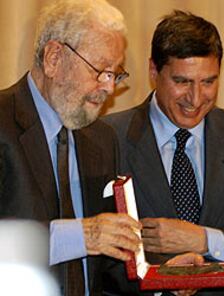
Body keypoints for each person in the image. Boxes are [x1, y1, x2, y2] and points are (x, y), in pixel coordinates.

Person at [104, 10, 224, 295]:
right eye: (182, 82)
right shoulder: (107, 138)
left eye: (208, 82)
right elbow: (94, 259)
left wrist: (204, 240)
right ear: (154, 72)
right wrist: (165, 278)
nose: (195, 99)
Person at [0, 0, 141, 295]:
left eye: (115, 74)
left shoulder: (102, 138)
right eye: (100, 70)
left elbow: (108, 265)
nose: (109, 88)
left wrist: (163, 277)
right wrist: (81, 236)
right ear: (53, 58)